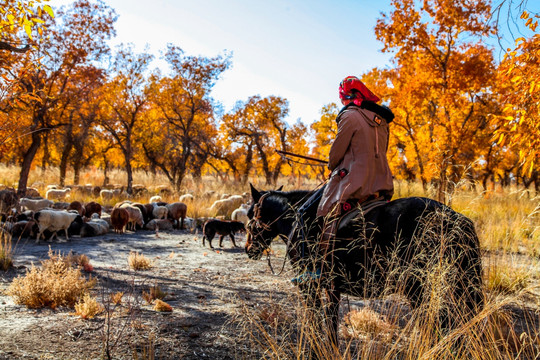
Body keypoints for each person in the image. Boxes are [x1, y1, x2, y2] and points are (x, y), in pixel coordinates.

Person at [291, 75, 395, 284]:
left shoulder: (349, 116)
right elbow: (378, 152)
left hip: (354, 183)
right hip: (381, 181)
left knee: (305, 213)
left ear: (346, 97)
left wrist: (332, 166)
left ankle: (312, 267)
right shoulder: (381, 119)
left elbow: (336, 154)